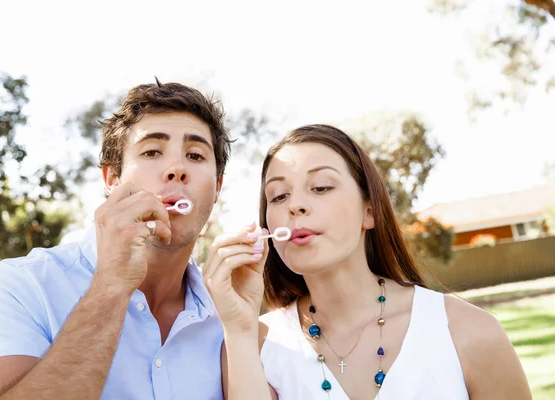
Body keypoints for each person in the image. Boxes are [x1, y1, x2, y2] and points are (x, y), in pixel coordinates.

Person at [203, 124, 532, 399]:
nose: (296, 206)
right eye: (278, 196)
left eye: (320, 187)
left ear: (369, 211)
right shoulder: (253, 343)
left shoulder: (470, 332)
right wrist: (239, 329)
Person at [0, 79, 232, 400]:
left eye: (195, 155)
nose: (177, 168)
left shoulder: (229, 317)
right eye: (151, 151)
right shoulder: (21, 285)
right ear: (112, 179)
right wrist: (111, 285)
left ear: (217, 188)